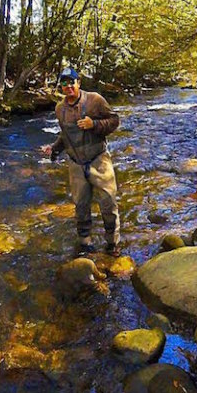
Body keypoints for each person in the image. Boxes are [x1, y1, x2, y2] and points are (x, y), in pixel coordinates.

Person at [39, 67, 122, 256]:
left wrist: (95, 124)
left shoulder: (95, 100)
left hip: (99, 160)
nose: (68, 86)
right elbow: (65, 135)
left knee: (108, 204)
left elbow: (115, 120)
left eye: (71, 82)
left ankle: (112, 242)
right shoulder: (59, 108)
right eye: (64, 83)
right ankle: (85, 243)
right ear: (61, 86)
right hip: (76, 163)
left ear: (79, 83)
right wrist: (54, 149)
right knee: (81, 206)